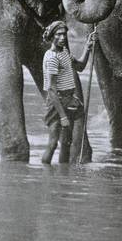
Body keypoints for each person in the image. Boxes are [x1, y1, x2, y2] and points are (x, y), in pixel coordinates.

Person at [41, 21, 94, 165]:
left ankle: (63, 176)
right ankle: (44, 175)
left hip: (70, 99)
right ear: (52, 37)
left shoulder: (64, 53)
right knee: (52, 144)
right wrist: (63, 116)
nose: (63, 37)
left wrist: (87, 48)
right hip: (56, 103)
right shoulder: (51, 58)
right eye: (58, 34)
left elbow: (80, 66)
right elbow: (51, 90)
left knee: (66, 143)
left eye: (64, 34)